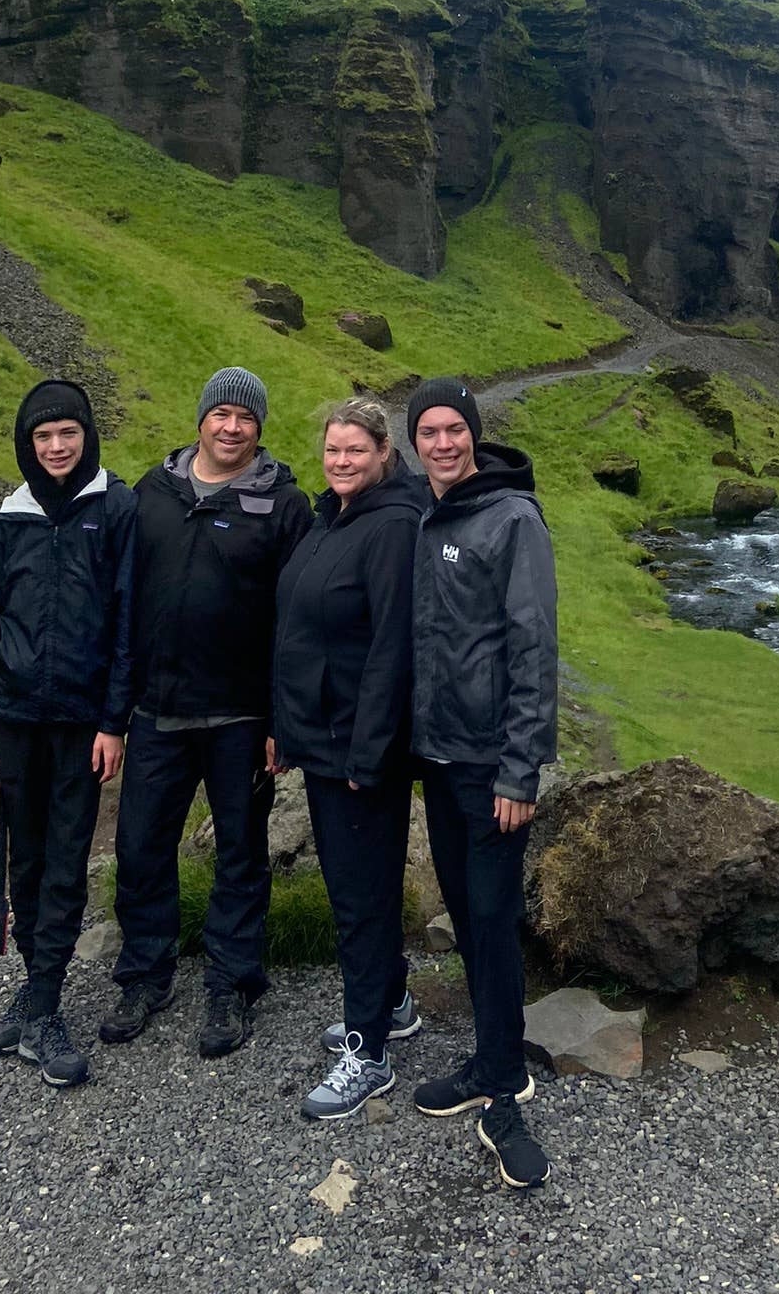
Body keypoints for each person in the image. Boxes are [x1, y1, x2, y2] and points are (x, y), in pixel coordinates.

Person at [102, 367, 311, 1060]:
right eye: (220, 413)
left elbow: (296, 621)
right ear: (200, 419)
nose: (231, 427)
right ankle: (145, 974)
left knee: (241, 856)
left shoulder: (284, 505)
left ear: (259, 428)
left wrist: (283, 719)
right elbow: (122, 603)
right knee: (140, 848)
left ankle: (231, 983)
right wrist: (114, 708)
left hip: (241, 717)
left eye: (244, 418)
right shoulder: (150, 493)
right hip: (157, 712)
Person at [406, 377, 557, 1189]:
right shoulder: (428, 516)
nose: (442, 442)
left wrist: (519, 766)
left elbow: (533, 648)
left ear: (474, 434)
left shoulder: (512, 518)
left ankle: (502, 1084)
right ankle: (492, 1050)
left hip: (491, 766)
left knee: (492, 917)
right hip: (440, 757)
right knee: (467, 910)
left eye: (453, 429)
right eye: (427, 431)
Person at [0, 379, 135, 1089]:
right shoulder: (9, 519)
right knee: (22, 856)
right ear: (27, 444)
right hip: (15, 717)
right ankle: (36, 991)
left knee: (65, 857)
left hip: (80, 725)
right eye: (43, 437)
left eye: (68, 433)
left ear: (86, 435)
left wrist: (113, 720)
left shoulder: (114, 508)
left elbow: (127, 624)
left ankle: (48, 1004)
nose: (57, 447)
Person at [269, 397, 426, 1119]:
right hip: (322, 740)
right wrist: (287, 729)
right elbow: (306, 629)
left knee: (359, 899)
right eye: (332, 450)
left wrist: (369, 752)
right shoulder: (332, 517)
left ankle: (367, 1053)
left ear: (383, 454)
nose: (340, 462)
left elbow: (393, 645)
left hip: (360, 752)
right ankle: (390, 1002)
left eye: (355, 451)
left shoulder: (391, 526)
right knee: (352, 886)